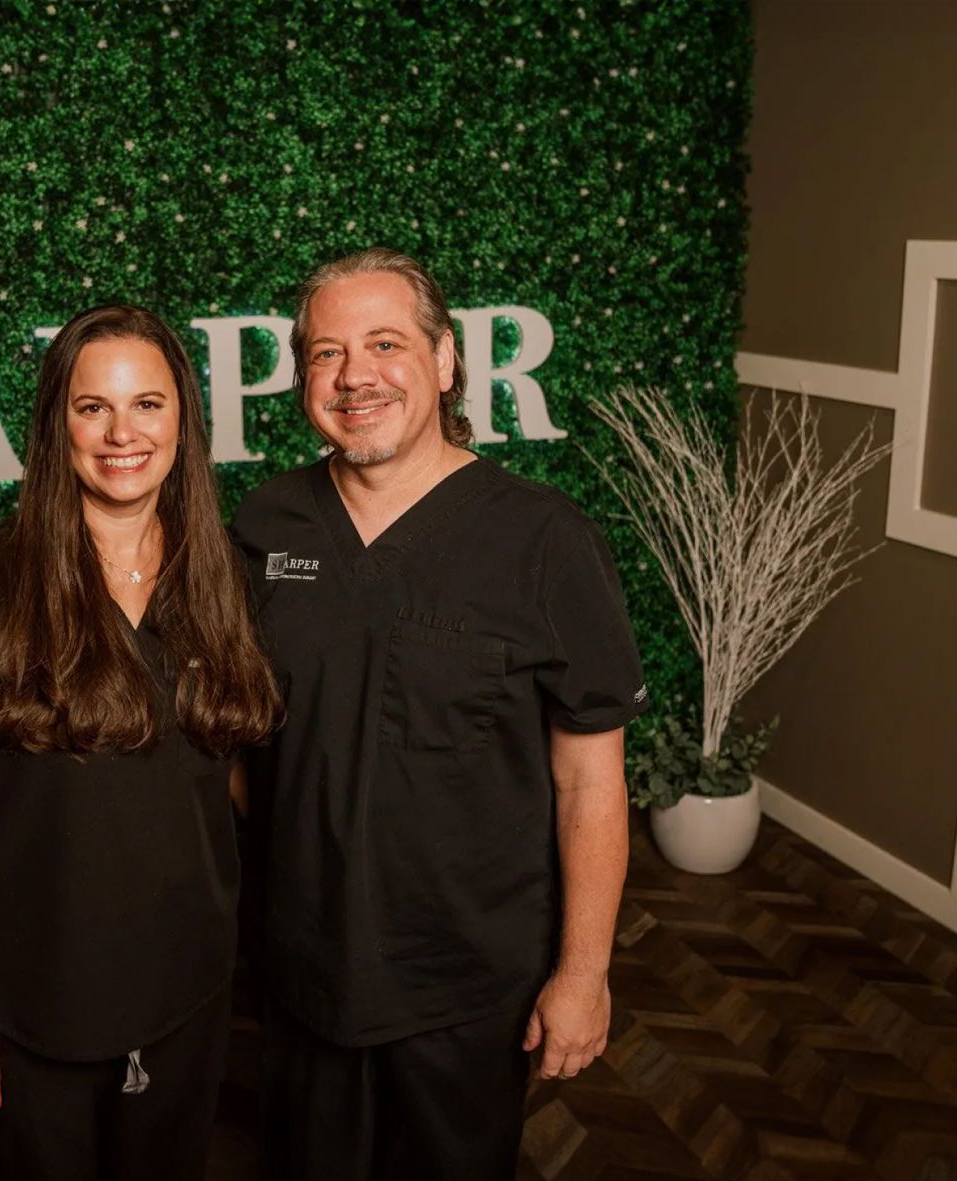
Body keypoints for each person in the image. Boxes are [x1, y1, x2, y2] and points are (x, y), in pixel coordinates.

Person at [231, 248, 649, 1179]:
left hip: (467, 984)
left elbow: (590, 780)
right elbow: (241, 745)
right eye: (326, 354)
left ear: (447, 357)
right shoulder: (265, 525)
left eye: (386, 344)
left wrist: (583, 974)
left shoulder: (546, 541)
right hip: (304, 971)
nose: (355, 377)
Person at [0, 304, 278, 1179]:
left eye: (147, 404)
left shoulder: (224, 574)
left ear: (183, 419)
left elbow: (229, 777)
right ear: (54, 424)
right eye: (91, 406)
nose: (121, 434)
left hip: (188, 986)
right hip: (36, 996)